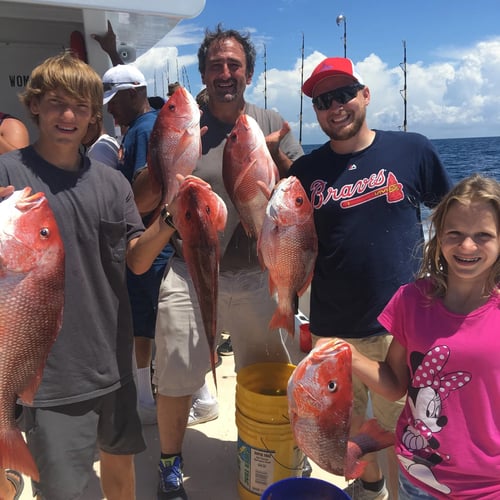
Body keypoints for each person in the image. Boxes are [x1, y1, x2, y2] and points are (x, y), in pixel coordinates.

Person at [134, 25, 303, 498]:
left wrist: (275, 156)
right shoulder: (180, 122)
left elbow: (303, 191)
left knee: (267, 370)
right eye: (215, 65)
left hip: (257, 274)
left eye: (234, 65)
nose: (225, 73)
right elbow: (141, 198)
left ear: (248, 73)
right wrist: (165, 162)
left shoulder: (269, 119)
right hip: (189, 270)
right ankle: (170, 461)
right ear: (204, 73)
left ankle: (266, 446)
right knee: (175, 370)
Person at [0, 51, 176, 500]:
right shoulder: (8, 173)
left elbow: (136, 260)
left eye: (81, 106)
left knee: (121, 476)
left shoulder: (112, 183)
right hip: (50, 375)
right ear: (34, 105)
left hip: (113, 363)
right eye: (57, 102)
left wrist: (171, 220)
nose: (68, 115)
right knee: (67, 491)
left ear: (94, 115)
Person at [288, 57, 453, 500]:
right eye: (324, 101)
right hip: (330, 328)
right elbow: (290, 242)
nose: (335, 107)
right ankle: (370, 487)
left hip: (399, 328)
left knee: (402, 428)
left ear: (366, 95)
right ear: (315, 111)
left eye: (344, 94)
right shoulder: (303, 173)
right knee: (345, 425)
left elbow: (454, 219)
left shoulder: (413, 149)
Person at [342, 174, 500, 499]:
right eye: (454, 233)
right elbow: (395, 383)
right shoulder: (412, 300)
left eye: (483, 235)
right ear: (438, 235)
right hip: (417, 475)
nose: (467, 245)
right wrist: (346, 353)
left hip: (488, 487)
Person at [99, 61, 173, 425]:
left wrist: (120, 212)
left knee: (145, 322)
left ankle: (145, 399)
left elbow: (149, 191)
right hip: (155, 242)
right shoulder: (144, 124)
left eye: (114, 99)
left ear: (133, 94)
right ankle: (169, 392)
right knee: (157, 320)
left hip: (150, 244)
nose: (110, 108)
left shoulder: (144, 128)